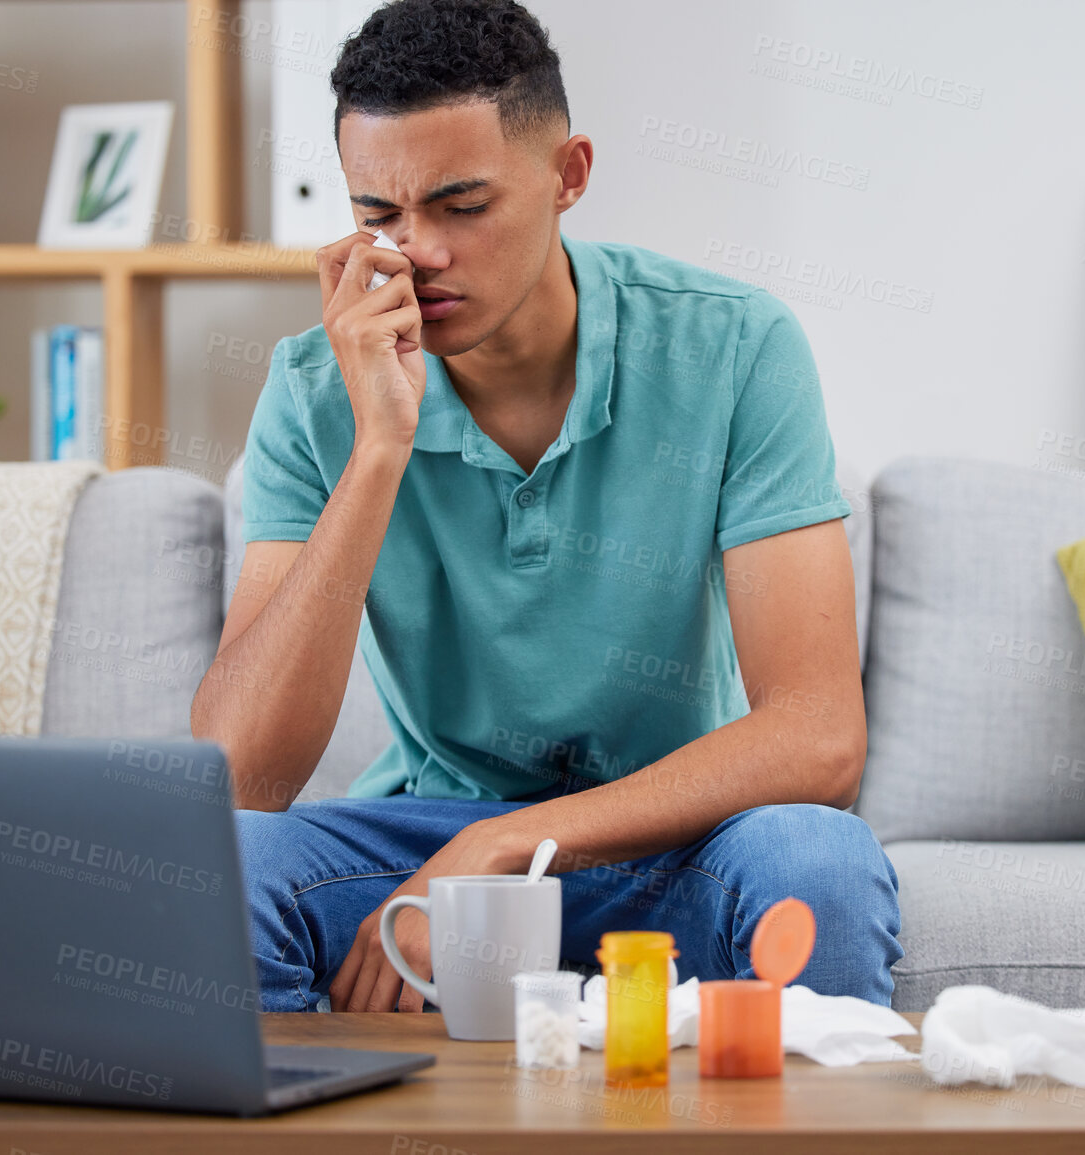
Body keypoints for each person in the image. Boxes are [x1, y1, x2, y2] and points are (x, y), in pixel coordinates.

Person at [190, 0, 902, 1014]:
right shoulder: (317, 387)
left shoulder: (736, 347)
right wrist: (380, 446)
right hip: (426, 834)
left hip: (669, 839)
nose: (416, 254)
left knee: (817, 860)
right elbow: (239, 779)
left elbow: (820, 734)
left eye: (462, 205)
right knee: (221, 870)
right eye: (377, 217)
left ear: (568, 175)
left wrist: (507, 844)